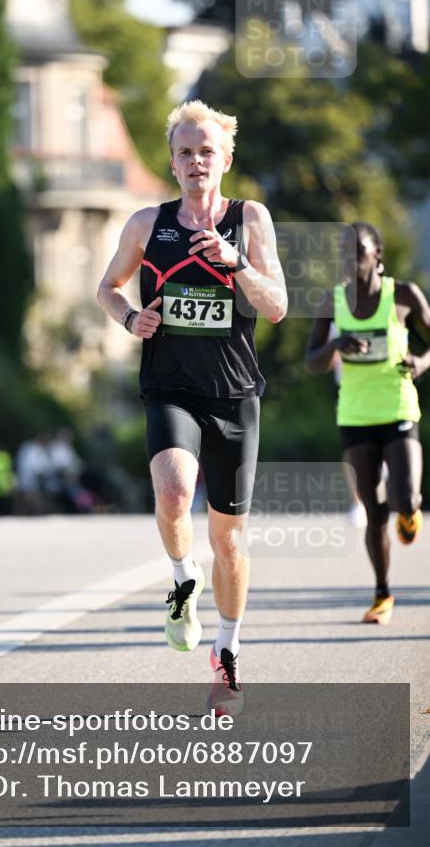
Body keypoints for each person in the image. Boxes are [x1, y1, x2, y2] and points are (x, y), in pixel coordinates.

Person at [97, 100, 287, 711]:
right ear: (172, 162)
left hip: (234, 394)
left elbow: (277, 304)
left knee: (230, 541)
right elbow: (107, 287)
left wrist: (236, 266)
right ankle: (182, 575)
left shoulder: (250, 219)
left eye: (207, 151)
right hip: (170, 386)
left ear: (226, 159)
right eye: (185, 152)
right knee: (175, 491)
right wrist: (131, 317)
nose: (196, 160)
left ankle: (227, 654)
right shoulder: (147, 224)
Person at [305, 222, 429, 624]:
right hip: (355, 416)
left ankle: (410, 512)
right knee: (374, 512)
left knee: (404, 498)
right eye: (343, 250)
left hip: (397, 408)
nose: (349, 257)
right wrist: (335, 345)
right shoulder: (332, 302)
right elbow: (311, 363)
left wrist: (421, 362)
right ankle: (382, 594)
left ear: (378, 255)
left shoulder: (404, 295)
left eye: (357, 249)